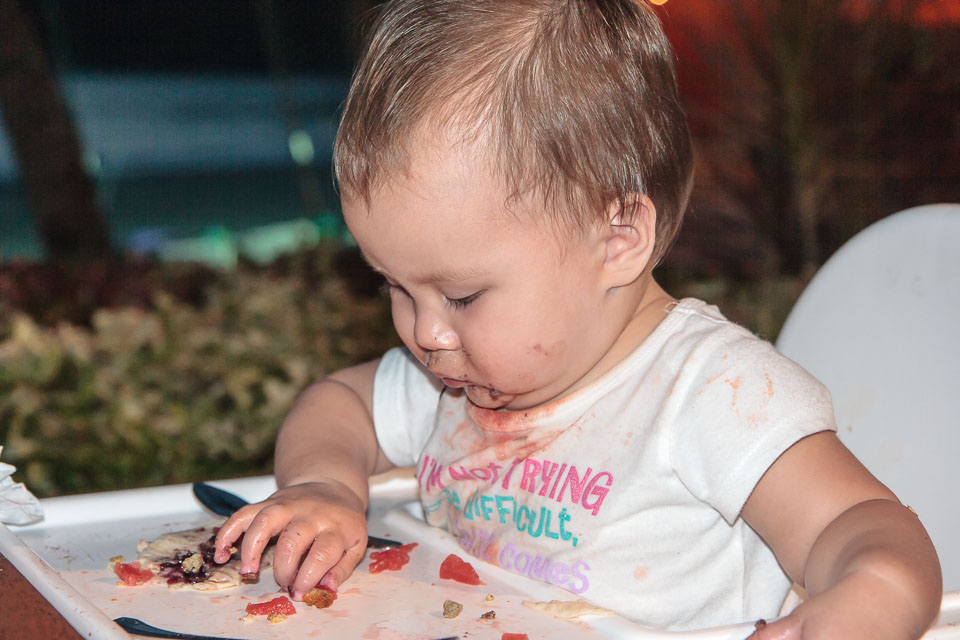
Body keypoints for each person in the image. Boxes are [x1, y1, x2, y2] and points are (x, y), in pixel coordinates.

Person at [214, 0, 942, 635]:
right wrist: (325, 485)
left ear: (617, 241)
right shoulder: (456, 382)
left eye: (461, 296)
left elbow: (857, 524)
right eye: (394, 287)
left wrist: (873, 596)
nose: (424, 333)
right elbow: (337, 405)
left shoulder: (711, 394)